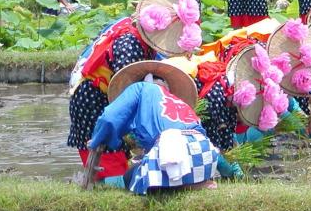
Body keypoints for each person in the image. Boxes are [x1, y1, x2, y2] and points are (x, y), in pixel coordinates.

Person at [68, 0, 201, 187]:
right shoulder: (129, 42)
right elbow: (127, 88)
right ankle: (98, 186)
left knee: (121, 160)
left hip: (108, 96)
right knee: (109, 161)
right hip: (94, 98)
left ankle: (101, 183)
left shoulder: (136, 30)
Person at [88, 60, 218, 194]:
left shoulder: (139, 88)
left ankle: (178, 185)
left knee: (130, 176)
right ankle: (195, 182)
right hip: (205, 155)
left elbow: (109, 118)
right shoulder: (178, 102)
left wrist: (96, 140)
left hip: (173, 152)